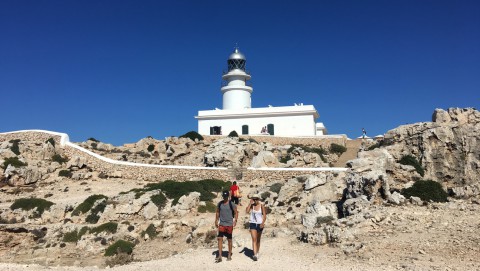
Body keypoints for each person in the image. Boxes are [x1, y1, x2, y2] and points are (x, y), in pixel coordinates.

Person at [215, 190, 238, 263]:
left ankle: (229, 254)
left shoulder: (232, 204)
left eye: (226, 197)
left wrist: (235, 220)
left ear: (228, 196)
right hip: (222, 224)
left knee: (229, 240)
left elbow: (236, 212)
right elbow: (218, 212)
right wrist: (216, 220)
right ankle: (220, 255)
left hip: (229, 224)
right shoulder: (220, 204)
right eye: (224, 197)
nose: (225, 198)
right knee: (219, 239)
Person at [246, 194, 266, 261]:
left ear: (258, 199)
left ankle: (257, 252)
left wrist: (263, 223)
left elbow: (265, 216)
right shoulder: (252, 206)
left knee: (258, 240)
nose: (255, 200)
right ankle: (255, 255)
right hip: (252, 224)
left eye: (256, 199)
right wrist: (250, 203)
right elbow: (247, 211)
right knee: (254, 239)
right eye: (253, 199)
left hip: (259, 224)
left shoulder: (261, 206)